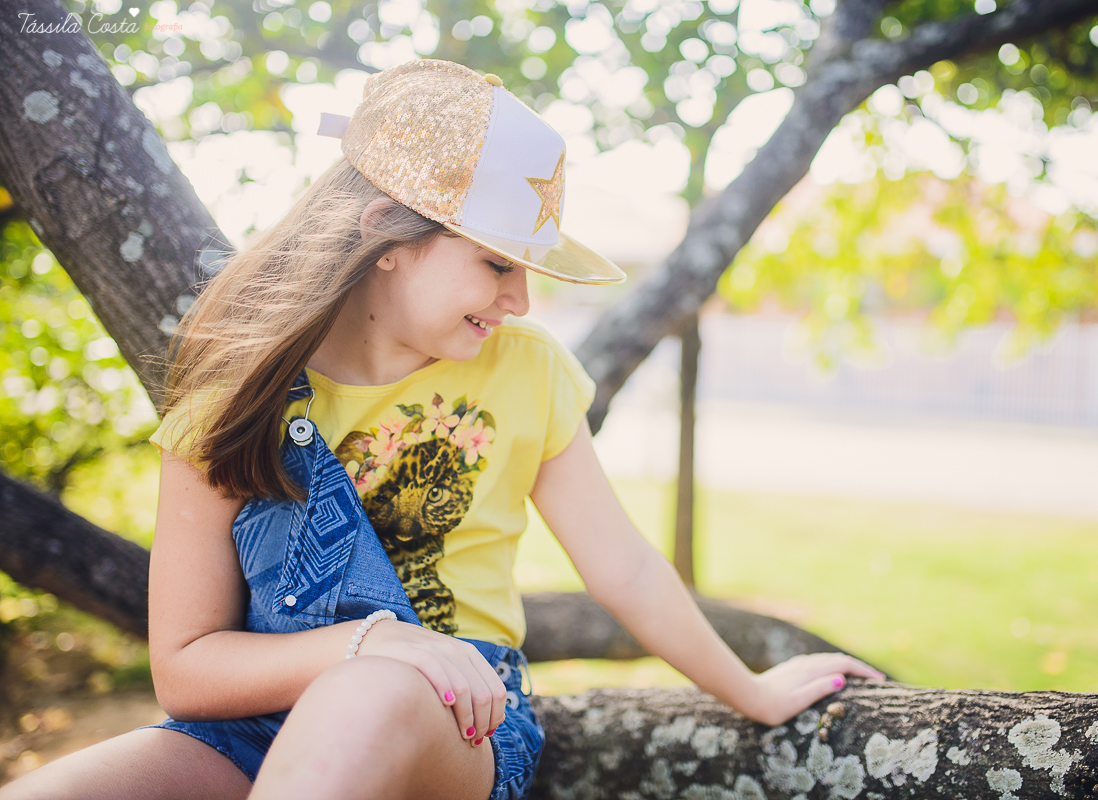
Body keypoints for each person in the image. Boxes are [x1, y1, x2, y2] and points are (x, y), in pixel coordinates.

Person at [0, 59, 883, 800]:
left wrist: (752, 690)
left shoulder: (525, 371)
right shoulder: (235, 405)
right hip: (243, 733)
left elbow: (626, 570)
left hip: (454, 718)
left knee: (363, 701)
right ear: (387, 234)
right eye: (497, 262)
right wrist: (371, 638)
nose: (522, 299)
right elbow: (187, 669)